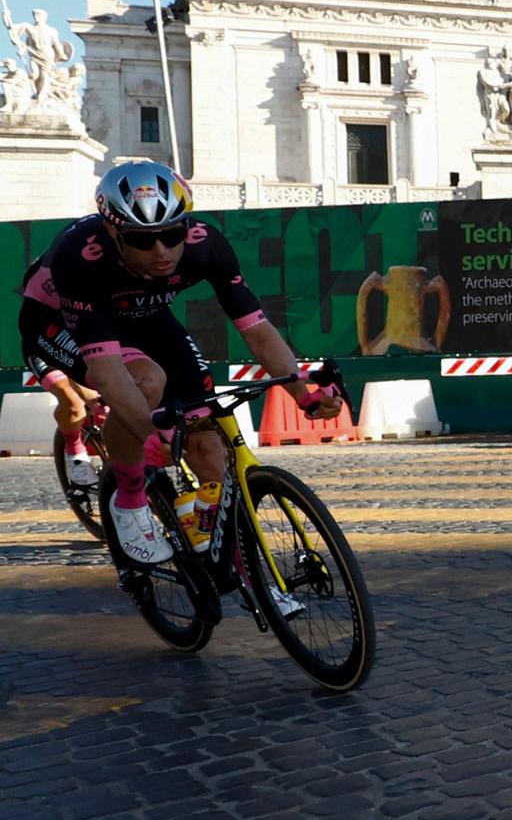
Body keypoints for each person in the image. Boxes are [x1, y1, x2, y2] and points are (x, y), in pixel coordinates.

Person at [40, 161, 339, 564]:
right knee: (145, 381)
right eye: (142, 240)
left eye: (171, 234)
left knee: (206, 442)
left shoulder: (205, 244)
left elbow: (257, 330)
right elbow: (110, 373)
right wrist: (151, 434)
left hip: (146, 316)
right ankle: (129, 502)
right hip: (61, 322)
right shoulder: (81, 257)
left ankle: (224, 556)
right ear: (113, 231)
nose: (162, 251)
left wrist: (302, 393)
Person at [17, 254, 102, 486]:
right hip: (42, 345)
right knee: (73, 403)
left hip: (79, 346)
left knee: (102, 400)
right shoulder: (47, 282)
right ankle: (76, 455)